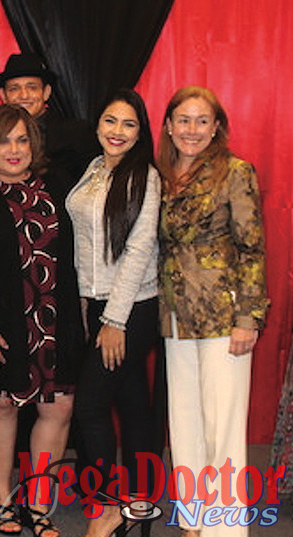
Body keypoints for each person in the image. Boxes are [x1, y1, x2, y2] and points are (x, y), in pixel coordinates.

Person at [0, 104, 83, 537]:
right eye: (3, 140)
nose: (14, 150)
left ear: (34, 145)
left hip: (56, 317)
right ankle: (2, 498)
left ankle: (39, 503)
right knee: (3, 404)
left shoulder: (59, 188)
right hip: (2, 322)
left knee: (58, 406)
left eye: (22, 139)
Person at [157, 86, 268, 537]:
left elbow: (252, 247)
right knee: (184, 421)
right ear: (168, 125)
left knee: (222, 425)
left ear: (217, 126)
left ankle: (225, 527)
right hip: (176, 315)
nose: (192, 130)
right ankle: (193, 518)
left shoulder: (236, 172)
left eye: (202, 121)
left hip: (225, 315)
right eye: (183, 120)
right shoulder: (160, 174)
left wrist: (249, 317)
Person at [65, 89, 161, 537]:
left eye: (128, 124)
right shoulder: (94, 168)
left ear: (140, 132)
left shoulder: (145, 176)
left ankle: (105, 508)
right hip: (98, 301)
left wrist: (114, 321)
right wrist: (87, 303)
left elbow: (139, 251)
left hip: (133, 307)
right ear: (98, 124)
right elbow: (86, 245)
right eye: (110, 121)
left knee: (90, 404)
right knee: (131, 401)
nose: (117, 131)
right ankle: (140, 506)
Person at [0, 53, 96, 182]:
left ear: (46, 92)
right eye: (14, 88)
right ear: (3, 96)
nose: (23, 95)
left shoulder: (77, 133)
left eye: (32, 88)